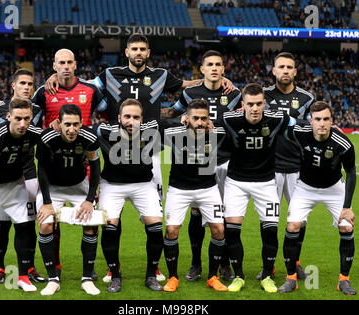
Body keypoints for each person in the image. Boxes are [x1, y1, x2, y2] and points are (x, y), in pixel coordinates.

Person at [45, 34, 234, 282]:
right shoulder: (110, 74)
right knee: (113, 216)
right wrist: (55, 76)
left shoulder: (161, 75)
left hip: (149, 150)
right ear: (126, 52)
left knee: (152, 216)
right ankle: (115, 268)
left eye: (142, 49)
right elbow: (84, 84)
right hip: (116, 146)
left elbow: (186, 85)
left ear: (148, 52)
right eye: (134, 48)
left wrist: (215, 77)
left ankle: (154, 269)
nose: (138, 52)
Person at [161, 50, 241, 282]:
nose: (214, 68)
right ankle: (196, 264)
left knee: (223, 218)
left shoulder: (234, 94)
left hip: (225, 161)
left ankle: (223, 263)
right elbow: (171, 114)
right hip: (197, 162)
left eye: (219, 64)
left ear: (224, 70)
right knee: (196, 214)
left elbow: (248, 112)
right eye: (210, 64)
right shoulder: (190, 93)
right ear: (202, 68)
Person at [221, 83, 299, 293]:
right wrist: (183, 119)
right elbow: (204, 125)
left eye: (258, 104)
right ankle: (238, 276)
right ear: (242, 105)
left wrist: (327, 127)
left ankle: (267, 275)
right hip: (236, 183)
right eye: (250, 104)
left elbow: (298, 124)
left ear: (264, 103)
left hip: (266, 184)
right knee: (232, 229)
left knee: (271, 231)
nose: (254, 108)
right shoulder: (229, 119)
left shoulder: (277, 119)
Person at [32, 49, 102, 277]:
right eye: (61, 62)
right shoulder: (44, 91)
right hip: (53, 161)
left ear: (75, 65)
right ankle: (56, 265)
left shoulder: (90, 89)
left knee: (94, 218)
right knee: (52, 223)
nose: (65, 66)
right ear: (54, 65)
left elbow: (110, 115)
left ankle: (101, 270)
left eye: (69, 62)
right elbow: (28, 120)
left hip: (82, 163)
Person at [278, 101, 356, 295]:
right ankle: (291, 278)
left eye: (326, 119)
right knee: (292, 226)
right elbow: (282, 128)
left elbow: (351, 172)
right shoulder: (300, 132)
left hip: (334, 189)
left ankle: (344, 280)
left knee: (346, 226)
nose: (322, 123)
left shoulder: (343, 143)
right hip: (305, 188)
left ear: (332, 120)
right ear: (310, 121)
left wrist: (347, 206)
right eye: (318, 119)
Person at [0, 68, 45, 285]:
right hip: (2, 171)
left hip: (27, 171)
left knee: (29, 222)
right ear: (13, 85)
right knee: (3, 223)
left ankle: (28, 267)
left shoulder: (37, 109)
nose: (26, 87)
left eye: (30, 84)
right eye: (22, 83)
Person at [95, 98, 164, 293]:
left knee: (156, 226)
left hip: (143, 185)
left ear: (142, 119)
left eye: (135, 117)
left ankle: (151, 275)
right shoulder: (104, 130)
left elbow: (173, 123)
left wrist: (186, 119)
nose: (131, 121)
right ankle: (115, 275)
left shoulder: (151, 130)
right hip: (112, 185)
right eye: (127, 116)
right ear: (118, 118)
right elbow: (80, 132)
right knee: (109, 226)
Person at [162, 98, 228, 292]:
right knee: (172, 231)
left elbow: (228, 127)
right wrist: (178, 121)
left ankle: (212, 277)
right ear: (187, 118)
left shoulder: (216, 134)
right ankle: (173, 277)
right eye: (195, 118)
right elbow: (158, 123)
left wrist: (213, 128)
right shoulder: (174, 134)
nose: (200, 122)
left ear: (209, 119)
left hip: (208, 189)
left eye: (204, 118)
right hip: (178, 189)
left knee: (219, 229)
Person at [35, 104, 101, 296]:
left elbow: (95, 169)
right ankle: (53, 278)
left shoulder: (89, 138)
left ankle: (87, 278)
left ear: (81, 123)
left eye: (75, 124)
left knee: (90, 225)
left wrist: (89, 200)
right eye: (67, 124)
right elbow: (42, 170)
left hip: (79, 186)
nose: (71, 129)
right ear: (59, 123)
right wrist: (47, 203)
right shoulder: (47, 138)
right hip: (53, 189)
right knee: (45, 225)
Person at [262, 52, 315, 281]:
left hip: (298, 168)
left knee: (299, 220)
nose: (285, 70)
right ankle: (270, 266)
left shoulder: (307, 98)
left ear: (295, 71)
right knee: (269, 219)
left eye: (289, 67)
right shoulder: (261, 95)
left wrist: (292, 121)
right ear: (273, 70)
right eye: (281, 66)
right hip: (269, 167)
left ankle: (295, 262)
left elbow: (316, 126)